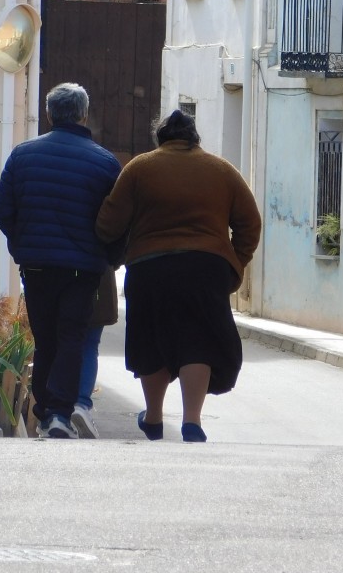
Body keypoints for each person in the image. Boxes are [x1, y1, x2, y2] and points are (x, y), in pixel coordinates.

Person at [95, 109, 261, 443]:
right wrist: (234, 264)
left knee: (151, 339)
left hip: (150, 267)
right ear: (194, 137)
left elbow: (107, 225)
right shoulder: (222, 170)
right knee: (197, 340)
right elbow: (250, 224)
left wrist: (127, 245)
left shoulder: (140, 168)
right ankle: (192, 421)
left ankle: (154, 418)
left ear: (161, 138)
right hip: (205, 269)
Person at [0, 82, 121, 439]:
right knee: (71, 337)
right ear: (83, 114)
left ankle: (48, 409)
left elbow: (2, 210)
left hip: (35, 267)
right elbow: (116, 220)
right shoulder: (104, 162)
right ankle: (58, 414)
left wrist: (22, 245)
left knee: (45, 338)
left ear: (49, 114)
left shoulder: (22, 155)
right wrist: (109, 256)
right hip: (82, 269)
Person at [72, 270, 120, 439]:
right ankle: (81, 404)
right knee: (90, 344)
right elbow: (117, 244)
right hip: (96, 272)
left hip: (57, 272)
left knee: (61, 343)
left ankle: (57, 409)